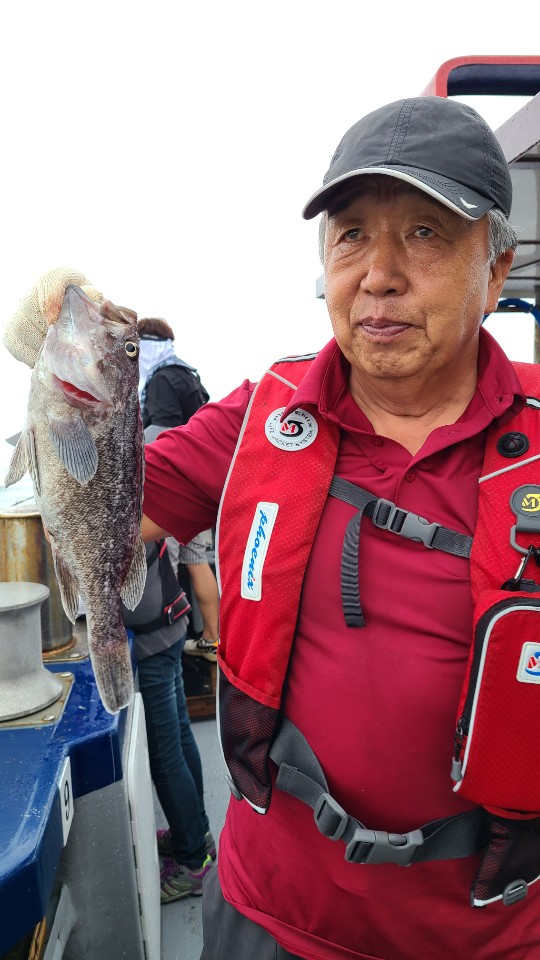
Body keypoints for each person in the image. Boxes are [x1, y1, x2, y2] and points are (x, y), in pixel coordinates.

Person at [140, 95, 540, 959]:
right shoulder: (259, 418)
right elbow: (100, 515)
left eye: (426, 233)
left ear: (496, 269)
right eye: (352, 235)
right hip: (269, 915)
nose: (379, 275)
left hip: (496, 937)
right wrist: (67, 391)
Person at [122, 537, 216, 903]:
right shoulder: (158, 504)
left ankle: (193, 864)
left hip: (152, 642)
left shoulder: (135, 510)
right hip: (171, 626)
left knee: (165, 757)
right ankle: (196, 833)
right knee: (180, 735)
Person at [138, 316, 219, 659]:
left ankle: (170, 640)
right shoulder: (187, 374)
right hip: (200, 487)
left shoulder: (161, 378)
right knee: (197, 561)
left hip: (174, 487)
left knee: (167, 563)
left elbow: (163, 431)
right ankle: (213, 640)